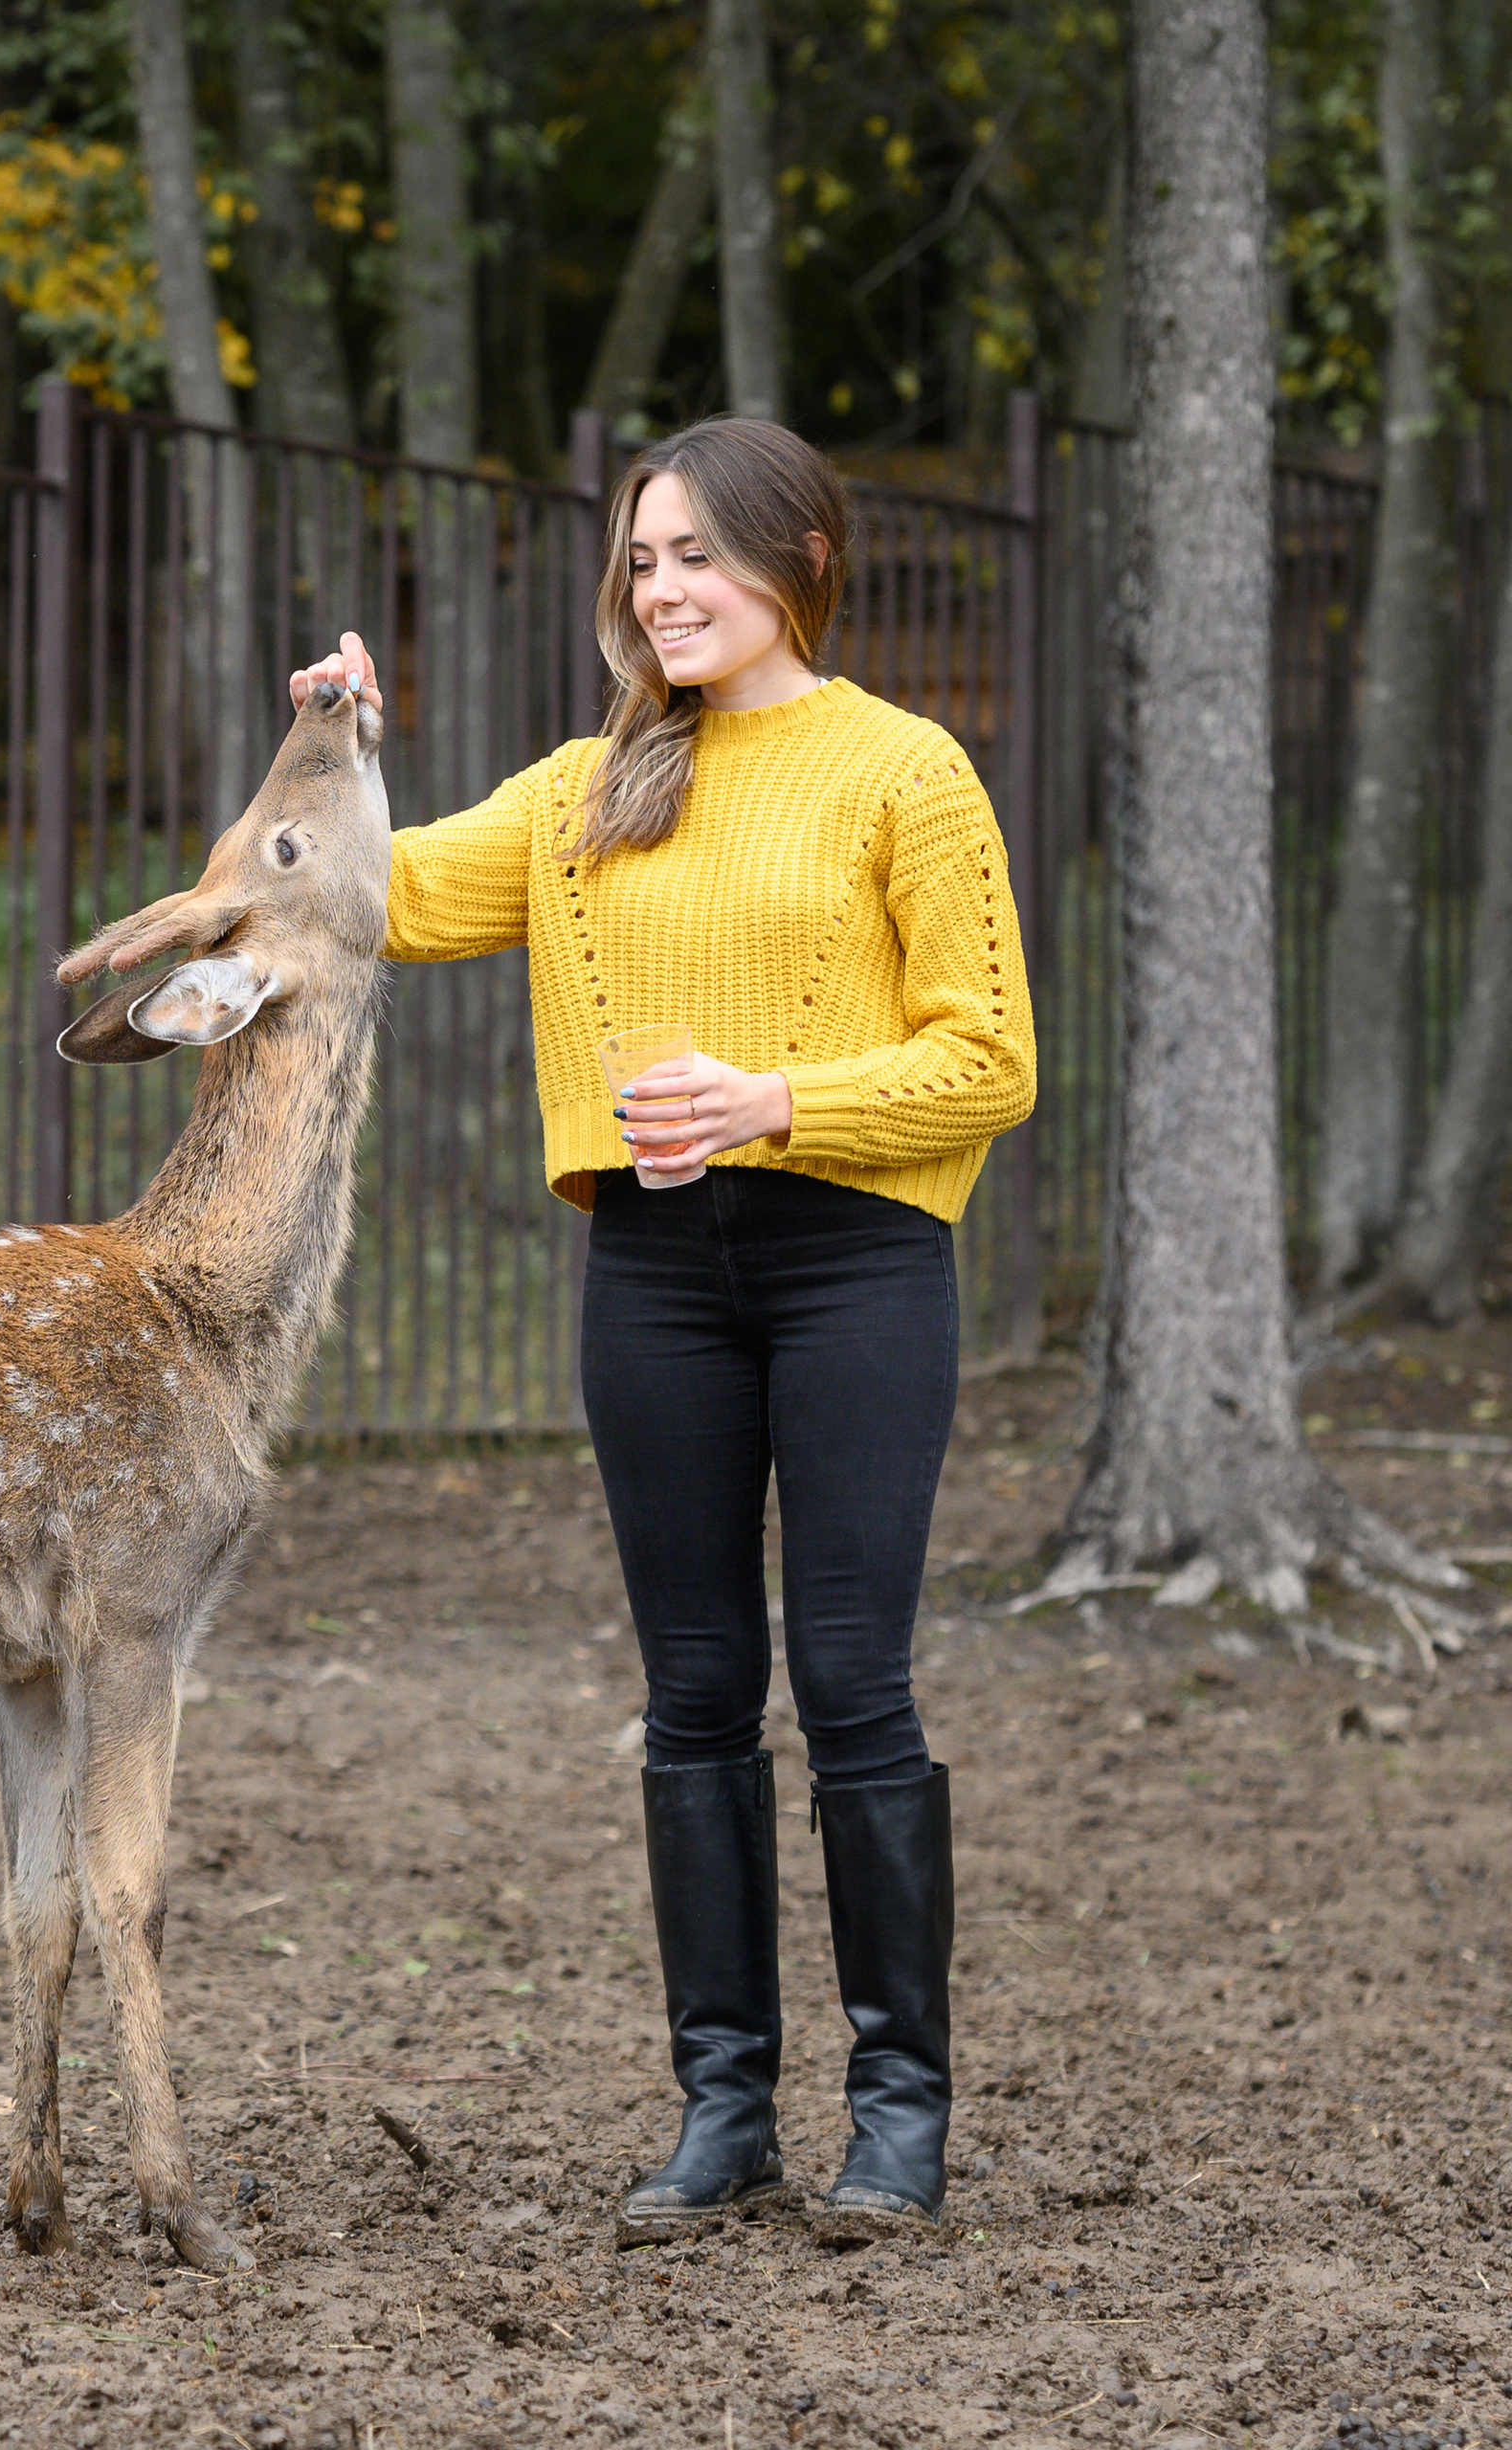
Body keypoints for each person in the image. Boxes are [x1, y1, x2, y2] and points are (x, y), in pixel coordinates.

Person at [288, 418, 1035, 2239]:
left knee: (854, 1683)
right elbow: (366, 897)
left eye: (700, 553)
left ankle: (900, 2117)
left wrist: (774, 1101)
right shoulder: (588, 784)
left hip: (856, 1261)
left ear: (799, 559)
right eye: (643, 559)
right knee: (694, 1694)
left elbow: (991, 1058)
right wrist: (339, 742)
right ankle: (724, 2112)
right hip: (650, 1276)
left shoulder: (904, 771)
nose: (666, 589)